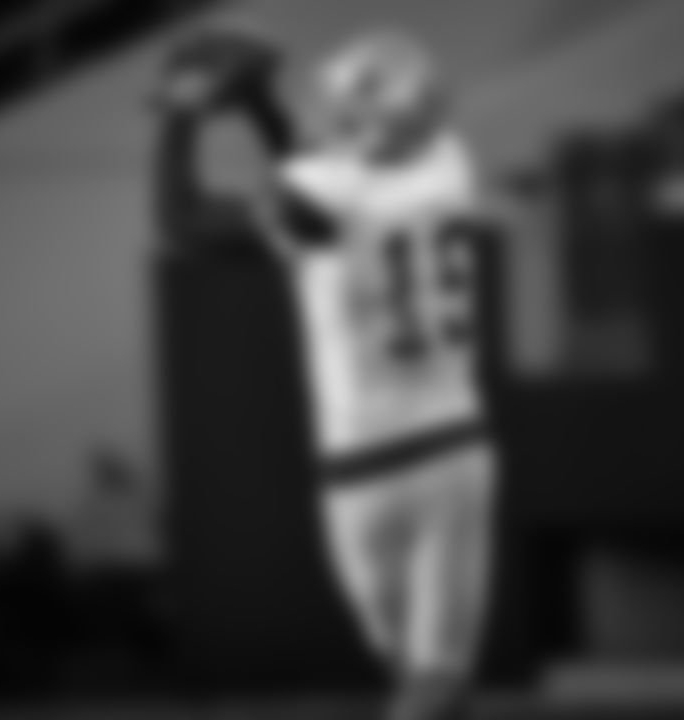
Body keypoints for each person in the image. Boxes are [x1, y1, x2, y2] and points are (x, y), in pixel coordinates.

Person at [156, 27, 499, 720]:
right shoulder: (451, 164)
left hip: (363, 470)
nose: (327, 120)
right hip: (455, 447)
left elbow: (182, 222)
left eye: (342, 109)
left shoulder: (328, 195)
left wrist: (178, 116)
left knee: (421, 680)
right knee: (434, 679)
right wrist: (258, 103)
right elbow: (314, 179)